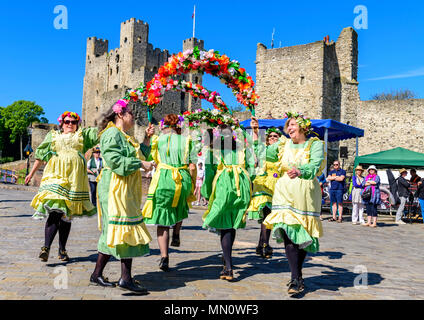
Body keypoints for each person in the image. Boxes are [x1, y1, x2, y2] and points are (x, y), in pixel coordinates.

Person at [90, 100, 155, 294]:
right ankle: (125, 278)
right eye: (131, 114)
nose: (133, 118)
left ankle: (97, 274)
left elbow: (137, 155)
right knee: (123, 227)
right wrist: (141, 165)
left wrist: (146, 139)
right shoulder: (111, 134)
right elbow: (115, 160)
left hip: (125, 187)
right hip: (114, 187)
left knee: (116, 229)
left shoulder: (125, 136)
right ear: (120, 115)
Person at [263, 112, 325, 296]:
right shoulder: (282, 144)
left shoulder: (315, 145)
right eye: (288, 125)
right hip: (284, 191)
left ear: (303, 127)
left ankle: (297, 275)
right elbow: (265, 155)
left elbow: (315, 165)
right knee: (287, 231)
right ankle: (295, 277)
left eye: (293, 124)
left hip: (305, 192)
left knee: (302, 236)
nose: (289, 128)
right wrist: (257, 133)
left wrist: (301, 170)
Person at [25, 111, 99, 263]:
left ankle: (62, 249)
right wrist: (31, 174)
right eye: (67, 122)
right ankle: (46, 247)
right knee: (56, 210)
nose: (70, 124)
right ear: (61, 123)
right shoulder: (53, 136)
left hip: (75, 178)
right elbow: (40, 154)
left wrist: (115, 111)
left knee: (67, 215)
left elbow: (100, 130)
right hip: (56, 174)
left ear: (77, 124)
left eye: (73, 122)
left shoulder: (82, 136)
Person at [142, 114, 197, 271]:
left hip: (164, 178)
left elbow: (150, 159)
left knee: (163, 219)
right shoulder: (187, 141)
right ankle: (177, 232)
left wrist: (149, 137)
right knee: (181, 205)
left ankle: (164, 257)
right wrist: (191, 183)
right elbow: (192, 166)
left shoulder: (157, 140)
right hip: (182, 177)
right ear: (178, 126)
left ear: (164, 126)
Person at [202, 123, 255, 281]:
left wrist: (207, 192)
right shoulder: (239, 149)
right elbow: (251, 168)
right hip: (239, 187)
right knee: (230, 225)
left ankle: (228, 266)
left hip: (226, 188)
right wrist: (248, 182)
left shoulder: (215, 151)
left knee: (227, 225)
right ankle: (227, 261)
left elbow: (209, 172)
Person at [247, 118, 283, 259]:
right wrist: (255, 129)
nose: (273, 138)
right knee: (267, 213)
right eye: (271, 136)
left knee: (267, 216)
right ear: (267, 139)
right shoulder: (264, 148)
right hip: (264, 182)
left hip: (276, 182)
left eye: (276, 136)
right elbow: (255, 144)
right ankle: (264, 244)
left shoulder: (281, 147)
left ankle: (261, 244)